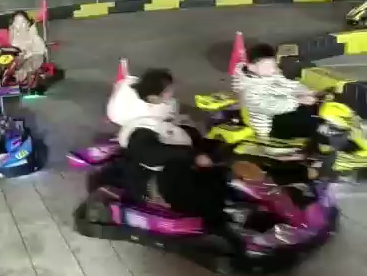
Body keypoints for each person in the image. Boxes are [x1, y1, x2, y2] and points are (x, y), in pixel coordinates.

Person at [106, 67, 228, 228]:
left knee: (219, 171)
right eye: (168, 90)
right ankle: (214, 220)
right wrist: (193, 156)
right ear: (153, 97)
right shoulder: (140, 129)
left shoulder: (164, 112)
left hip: (179, 163)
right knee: (198, 190)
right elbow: (152, 155)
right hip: (158, 179)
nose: (172, 92)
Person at [232, 43, 319, 143]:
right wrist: (298, 100)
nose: (273, 69)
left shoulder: (267, 73)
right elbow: (269, 107)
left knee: (311, 114)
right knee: (311, 126)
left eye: (273, 65)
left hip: (284, 106)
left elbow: (287, 84)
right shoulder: (248, 90)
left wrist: (307, 92)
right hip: (266, 123)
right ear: (251, 67)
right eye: (267, 66)